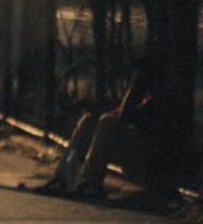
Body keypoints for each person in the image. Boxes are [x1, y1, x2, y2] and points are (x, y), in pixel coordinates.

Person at [36, 57, 155, 199]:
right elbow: (120, 114)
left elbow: (127, 116)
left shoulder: (158, 97)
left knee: (108, 123)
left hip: (149, 159)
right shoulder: (144, 97)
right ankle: (62, 179)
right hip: (133, 149)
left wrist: (134, 89)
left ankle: (91, 183)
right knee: (89, 121)